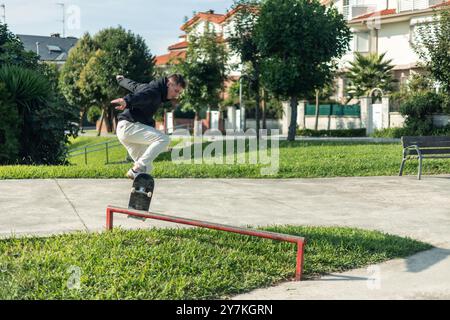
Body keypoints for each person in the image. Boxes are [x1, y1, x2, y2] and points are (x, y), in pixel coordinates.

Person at [111, 74, 186, 179]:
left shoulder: (148, 87)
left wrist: (121, 80)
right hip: (130, 126)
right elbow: (141, 97)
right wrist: (127, 101)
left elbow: (133, 85)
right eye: (176, 91)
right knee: (164, 139)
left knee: (147, 168)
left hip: (125, 130)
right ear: (169, 84)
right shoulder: (154, 92)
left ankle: (139, 190)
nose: (176, 95)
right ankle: (136, 168)